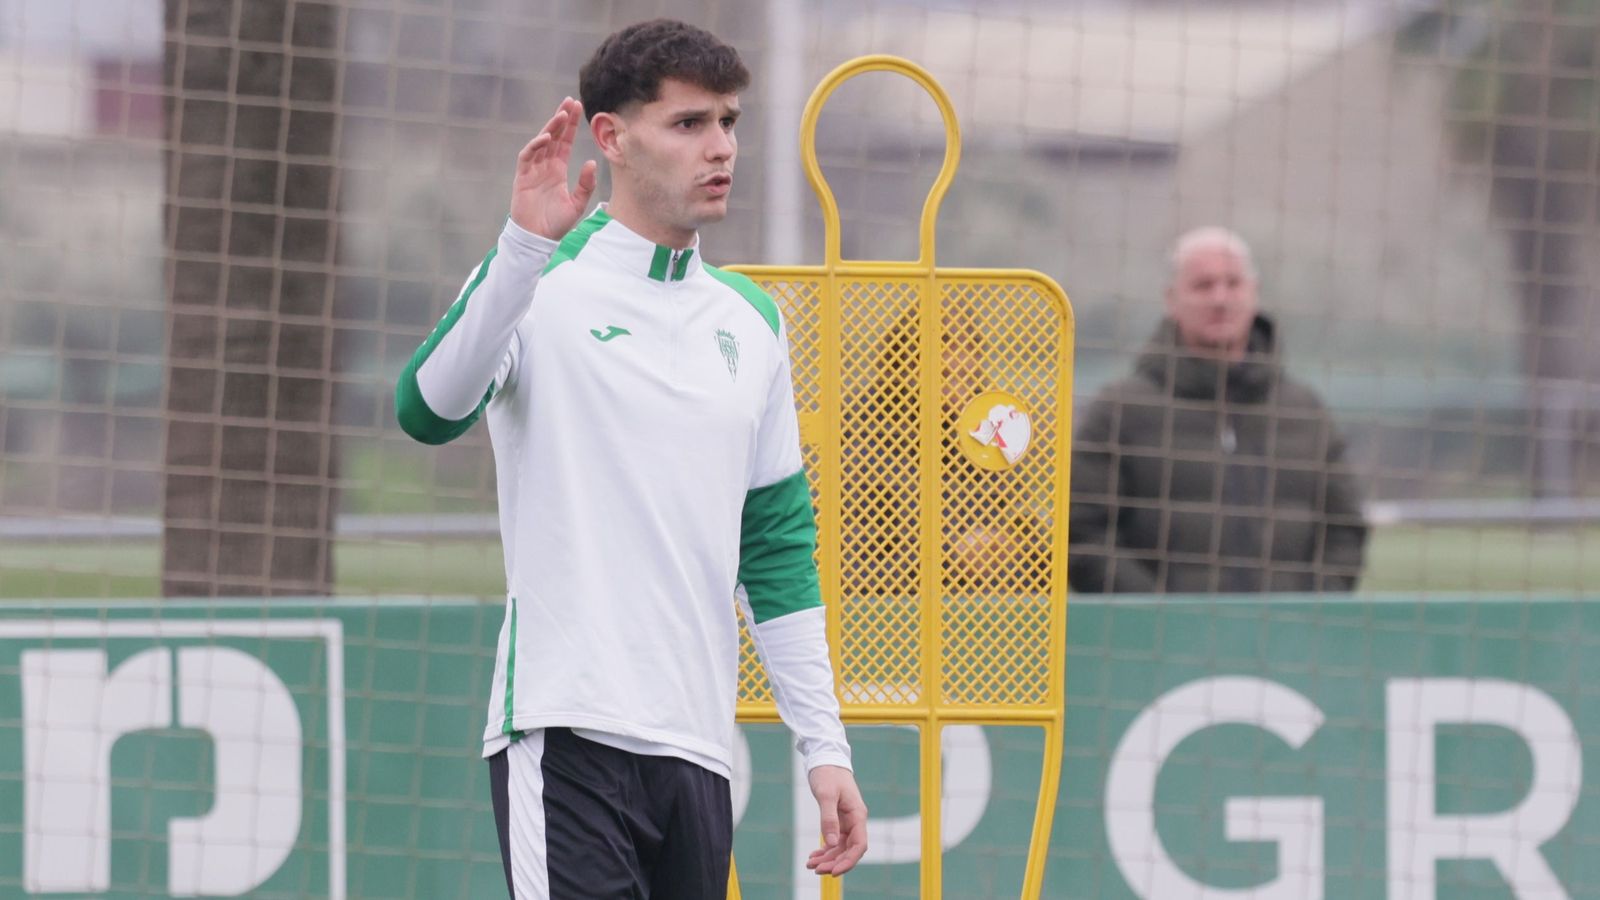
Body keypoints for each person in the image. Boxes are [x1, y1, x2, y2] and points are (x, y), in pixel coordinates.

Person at [393, 20, 866, 898]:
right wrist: (521, 250)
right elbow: (426, 410)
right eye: (689, 124)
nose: (721, 147)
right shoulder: (533, 277)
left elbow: (776, 551)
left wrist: (823, 745)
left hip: (697, 750)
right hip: (564, 729)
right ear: (611, 137)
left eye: (728, 122)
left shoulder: (752, 322)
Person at [1068, 227, 1368, 594]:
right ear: (1171, 298)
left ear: (1254, 292)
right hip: (1159, 646)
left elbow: (1345, 530)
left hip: (1284, 644)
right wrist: (1157, 620)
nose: (1220, 298)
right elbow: (1080, 533)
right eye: (1203, 285)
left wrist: (1304, 617)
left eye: (1233, 283)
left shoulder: (1305, 413)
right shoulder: (1120, 412)